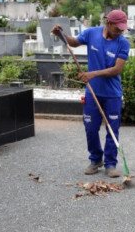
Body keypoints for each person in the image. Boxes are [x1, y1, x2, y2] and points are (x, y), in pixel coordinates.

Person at [52, 10, 130, 177]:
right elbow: (73, 42)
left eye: (123, 30)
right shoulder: (91, 33)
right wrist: (61, 34)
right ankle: (96, 159)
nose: (120, 32)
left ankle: (110, 164)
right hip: (93, 92)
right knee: (90, 127)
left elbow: (117, 69)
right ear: (108, 24)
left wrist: (92, 74)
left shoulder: (123, 43)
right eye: (118, 29)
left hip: (112, 94)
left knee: (112, 128)